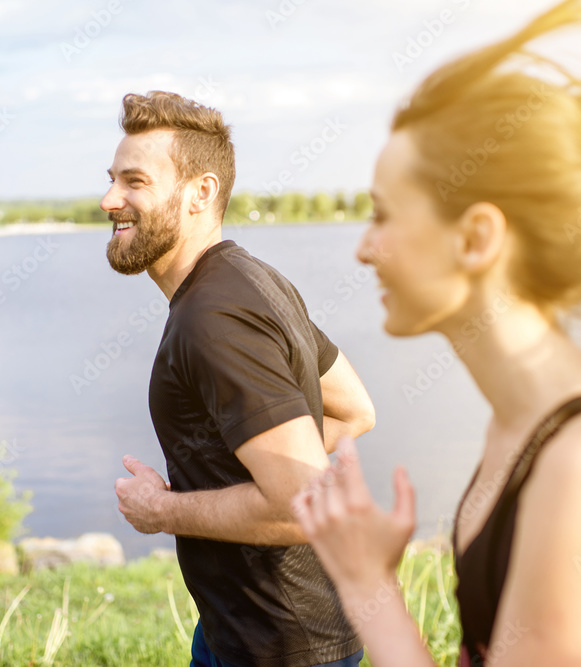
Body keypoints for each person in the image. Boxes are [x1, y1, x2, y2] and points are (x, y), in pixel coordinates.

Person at [291, 1, 581, 665]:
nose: (363, 249)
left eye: (382, 215)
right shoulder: (521, 433)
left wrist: (367, 583)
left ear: (477, 237)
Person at [103, 90, 377, 667]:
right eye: (112, 179)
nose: (110, 200)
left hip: (280, 648)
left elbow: (299, 506)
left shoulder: (213, 316)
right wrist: (261, 475)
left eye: (135, 182)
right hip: (249, 631)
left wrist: (163, 509)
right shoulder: (253, 278)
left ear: (201, 191)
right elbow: (354, 411)